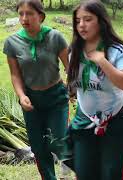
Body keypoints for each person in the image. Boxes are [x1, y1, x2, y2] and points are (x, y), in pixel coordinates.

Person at [67, 1, 123, 179]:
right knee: (83, 172)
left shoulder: (118, 50)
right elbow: (74, 86)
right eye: (78, 21)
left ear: (101, 21)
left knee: (111, 173)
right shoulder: (74, 51)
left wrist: (102, 62)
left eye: (88, 19)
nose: (81, 25)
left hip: (118, 117)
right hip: (86, 117)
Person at [2, 0, 69, 179]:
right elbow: (15, 74)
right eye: (21, 13)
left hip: (56, 98)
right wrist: (21, 95)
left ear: (41, 16)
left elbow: (71, 67)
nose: (24, 18)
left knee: (58, 142)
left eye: (29, 13)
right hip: (31, 101)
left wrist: (74, 86)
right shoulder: (12, 42)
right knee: (38, 148)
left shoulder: (56, 37)